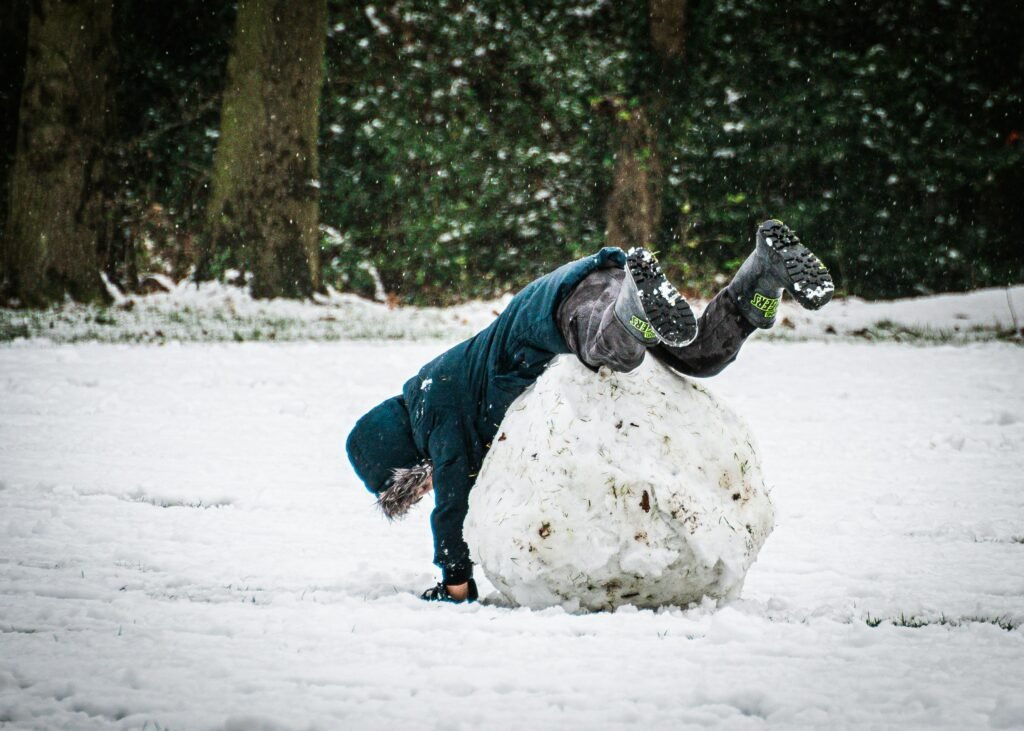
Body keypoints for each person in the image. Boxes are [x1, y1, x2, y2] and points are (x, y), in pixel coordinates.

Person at [346, 219, 833, 603]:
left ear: (403, 462)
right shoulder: (440, 392)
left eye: (414, 484)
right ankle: (763, 275)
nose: (426, 486)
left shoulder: (436, 405)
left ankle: (634, 305)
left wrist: (455, 582)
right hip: (597, 292)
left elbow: (452, 499)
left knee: (612, 351)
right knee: (701, 355)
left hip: (562, 304)